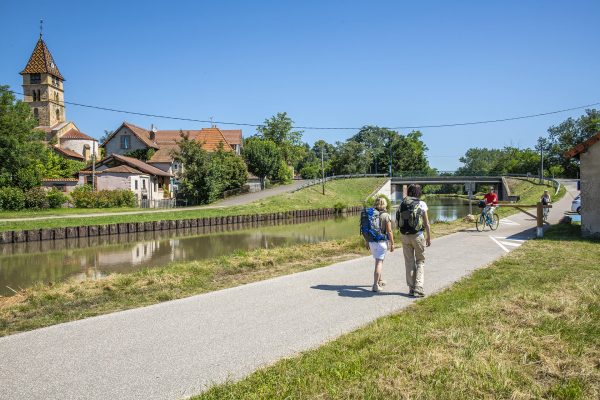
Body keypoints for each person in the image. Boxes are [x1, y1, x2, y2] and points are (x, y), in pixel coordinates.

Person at [398, 184, 431, 297]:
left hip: (404, 236)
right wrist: (429, 237)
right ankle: (419, 287)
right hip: (417, 235)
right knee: (420, 261)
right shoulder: (421, 203)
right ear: (418, 192)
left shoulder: (402, 203)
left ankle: (411, 288)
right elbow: (426, 223)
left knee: (409, 262)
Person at [365, 197, 394, 292]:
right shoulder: (386, 215)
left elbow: (368, 230)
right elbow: (389, 231)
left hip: (371, 241)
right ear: (385, 204)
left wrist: (367, 241)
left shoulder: (371, 215)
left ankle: (380, 280)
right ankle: (375, 285)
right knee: (379, 263)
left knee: (378, 261)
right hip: (381, 242)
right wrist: (392, 243)